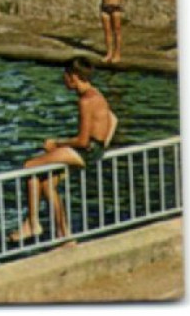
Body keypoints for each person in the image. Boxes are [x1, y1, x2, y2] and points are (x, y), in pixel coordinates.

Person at [11, 58, 118, 243]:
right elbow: (113, 119)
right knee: (46, 183)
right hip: (95, 149)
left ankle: (32, 223)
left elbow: (83, 141)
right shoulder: (97, 94)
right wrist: (103, 144)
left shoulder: (85, 101)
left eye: (66, 76)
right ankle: (65, 236)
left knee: (30, 166)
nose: (63, 80)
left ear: (74, 77)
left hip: (86, 151)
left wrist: (56, 144)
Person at [92, 0, 138, 65]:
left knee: (116, 31)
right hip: (104, 7)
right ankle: (109, 53)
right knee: (107, 32)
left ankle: (117, 54)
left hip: (116, 6)